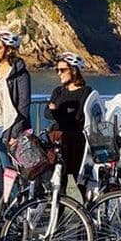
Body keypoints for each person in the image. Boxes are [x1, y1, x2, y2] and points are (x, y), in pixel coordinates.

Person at [44, 52, 92, 197]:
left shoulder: (85, 91)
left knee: (73, 180)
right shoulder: (58, 91)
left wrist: (56, 111)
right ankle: (57, 211)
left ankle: (82, 211)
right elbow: (47, 113)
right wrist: (62, 113)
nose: (59, 73)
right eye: (57, 70)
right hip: (57, 139)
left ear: (74, 70)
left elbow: (78, 118)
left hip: (74, 141)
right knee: (55, 178)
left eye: (63, 70)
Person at [0, 29, 31, 168]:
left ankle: (14, 191)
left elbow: (24, 105)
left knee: (8, 168)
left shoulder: (20, 73)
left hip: (6, 127)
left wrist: (15, 133)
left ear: (8, 50)